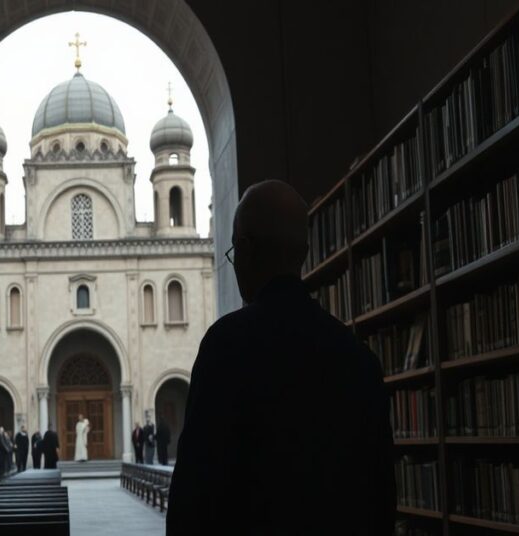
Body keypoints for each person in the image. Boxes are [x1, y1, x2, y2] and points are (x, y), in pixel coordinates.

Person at [167, 180, 394, 535]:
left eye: (233, 251)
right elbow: (381, 497)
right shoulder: (357, 357)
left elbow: (194, 492)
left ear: (245, 248)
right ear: (303, 254)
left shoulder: (225, 346)